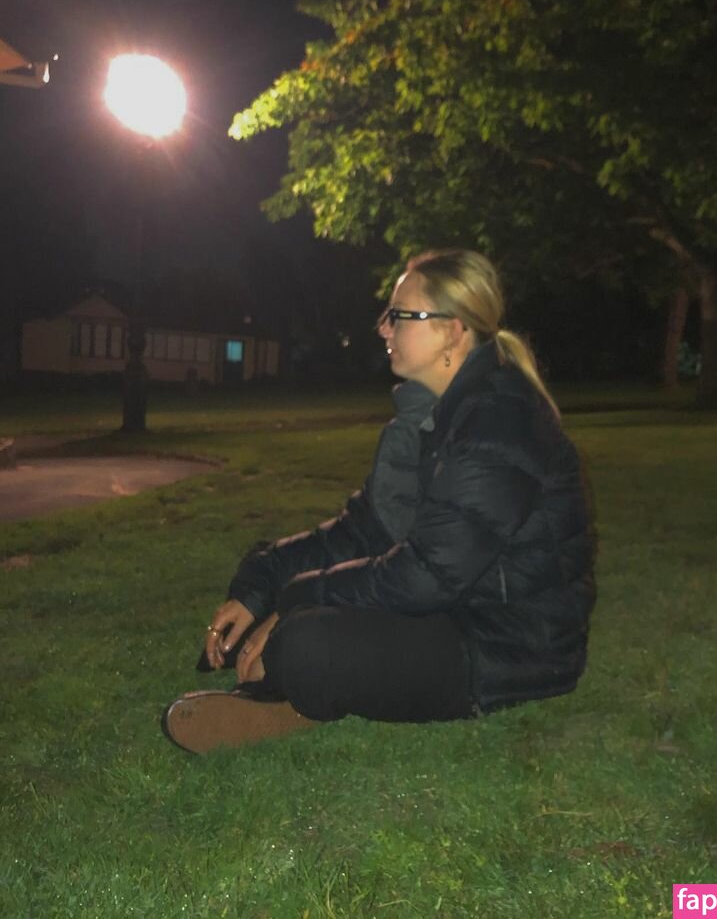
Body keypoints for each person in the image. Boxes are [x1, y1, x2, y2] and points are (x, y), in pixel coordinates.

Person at [162, 250, 595, 753]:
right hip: (449, 610)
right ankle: (300, 673)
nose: (383, 328)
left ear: (452, 331)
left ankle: (297, 690)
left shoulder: (499, 422)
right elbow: (364, 531)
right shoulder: (427, 418)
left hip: (508, 645)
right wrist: (262, 583)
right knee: (288, 604)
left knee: (307, 642)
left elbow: (427, 576)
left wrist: (297, 601)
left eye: (399, 316)